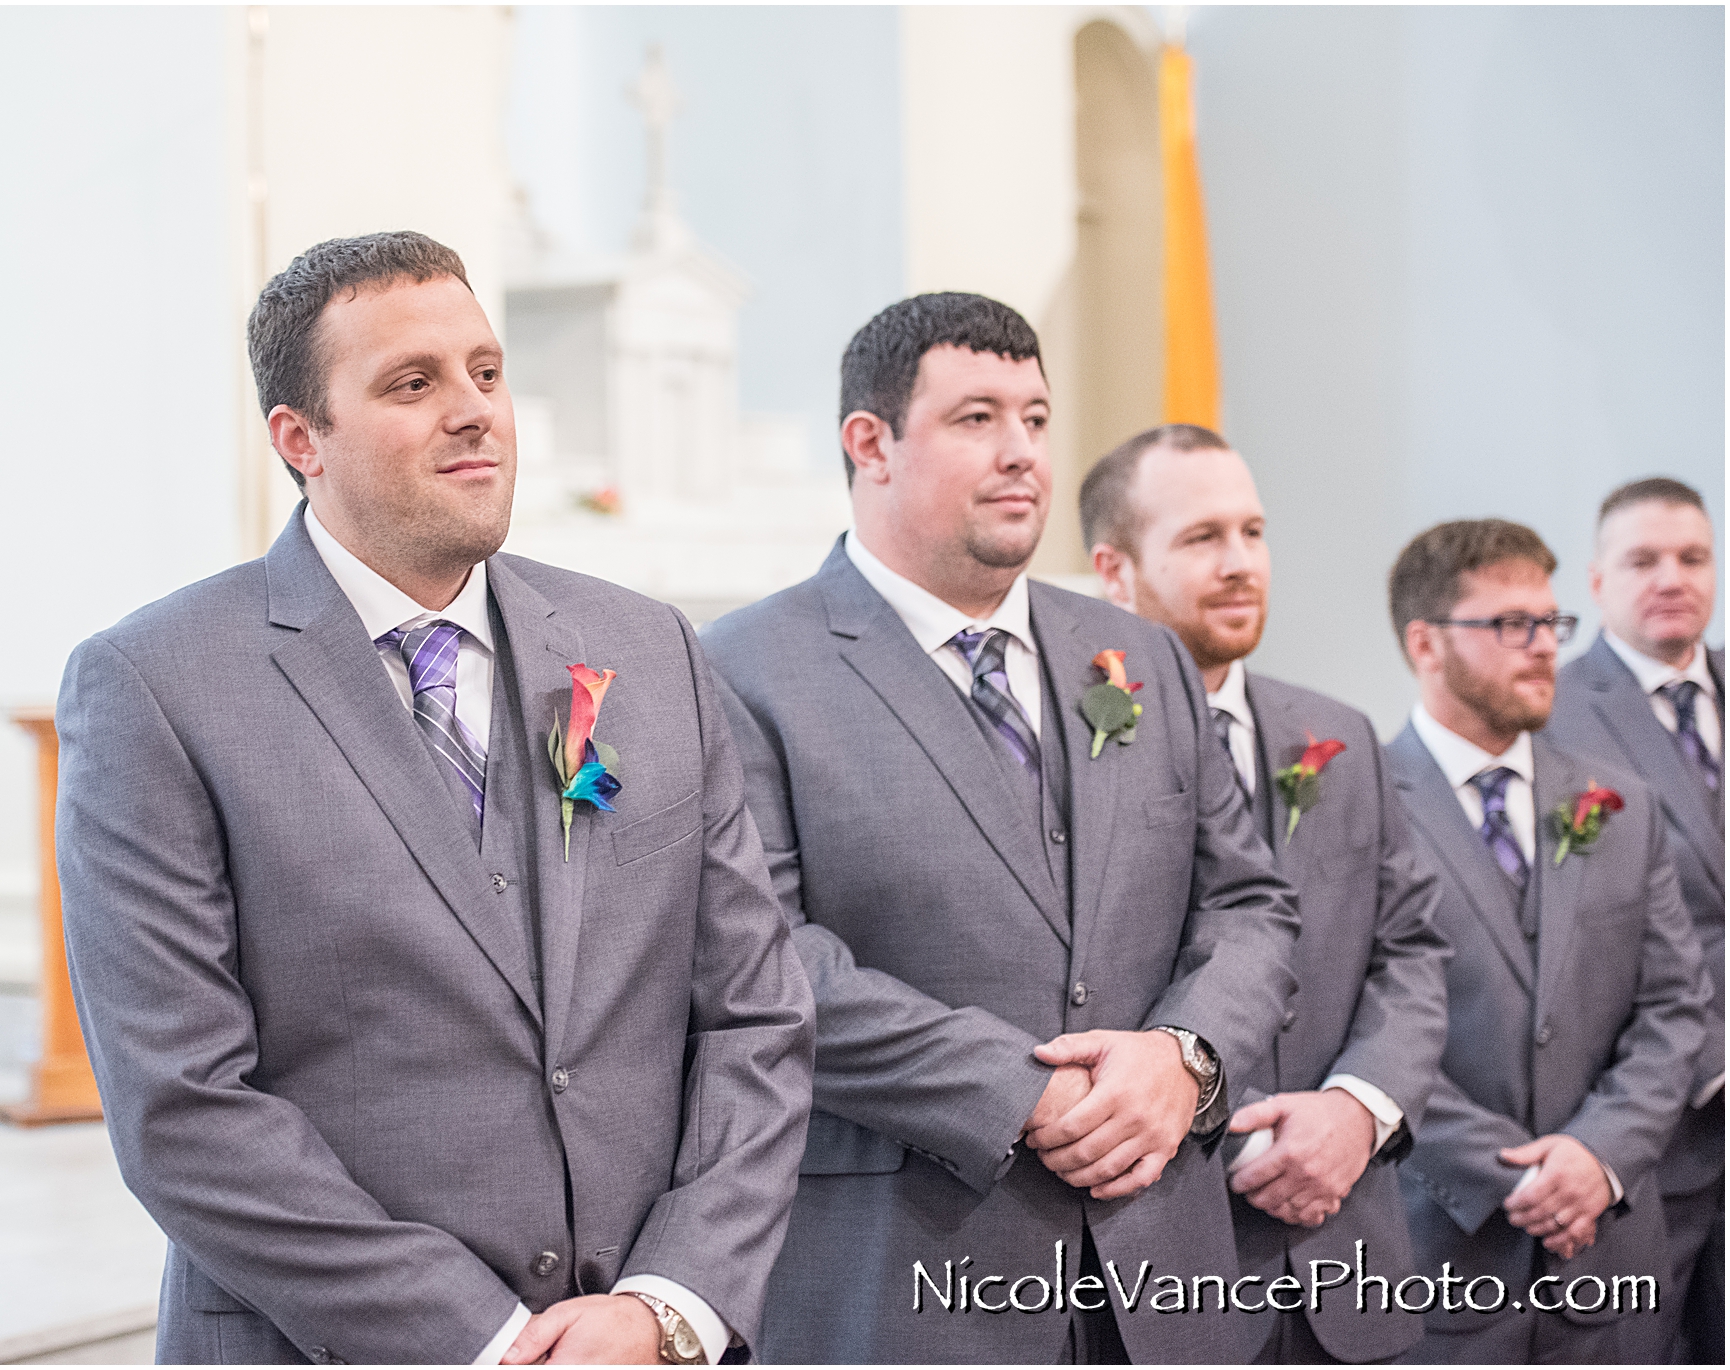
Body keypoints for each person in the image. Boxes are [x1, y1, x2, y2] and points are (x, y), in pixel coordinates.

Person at [54, 232, 814, 1366]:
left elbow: (754, 1014)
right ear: (299, 438)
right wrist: (487, 1341)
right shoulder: (159, 687)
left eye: (486, 372)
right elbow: (184, 1104)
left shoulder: (644, 650)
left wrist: (668, 1301)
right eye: (413, 384)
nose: (474, 411)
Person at [702, 293, 1300, 1363]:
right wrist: (1021, 1092)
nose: (1022, 451)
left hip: (1163, 1271)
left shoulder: (1136, 655)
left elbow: (1248, 902)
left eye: (1034, 416)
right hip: (910, 1272)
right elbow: (767, 958)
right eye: (977, 418)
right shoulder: (743, 667)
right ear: (868, 442)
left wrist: (1181, 1056)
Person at [1081, 425, 1450, 1364]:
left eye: (1253, 532)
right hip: (1159, 1262)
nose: (1242, 563)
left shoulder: (1337, 734)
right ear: (1113, 571)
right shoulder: (1069, 743)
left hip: (1348, 1245)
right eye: (1202, 539)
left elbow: (1409, 953)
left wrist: (1357, 1110)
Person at [1380, 519, 1707, 1363]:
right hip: (1438, 1256)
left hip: (1613, 1261)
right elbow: (1352, 1020)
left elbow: (1676, 1008)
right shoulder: (1365, 805)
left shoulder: (1621, 805)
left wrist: (1597, 1156)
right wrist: (1513, 1173)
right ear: (1426, 642)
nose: (1541, 648)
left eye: (1550, 624)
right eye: (1508, 625)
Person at [1542, 477, 1723, 1364]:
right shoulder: (1551, 713)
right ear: (1598, 581)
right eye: (1643, 559)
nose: (1671, 577)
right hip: (1653, 1113)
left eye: (1692, 557)